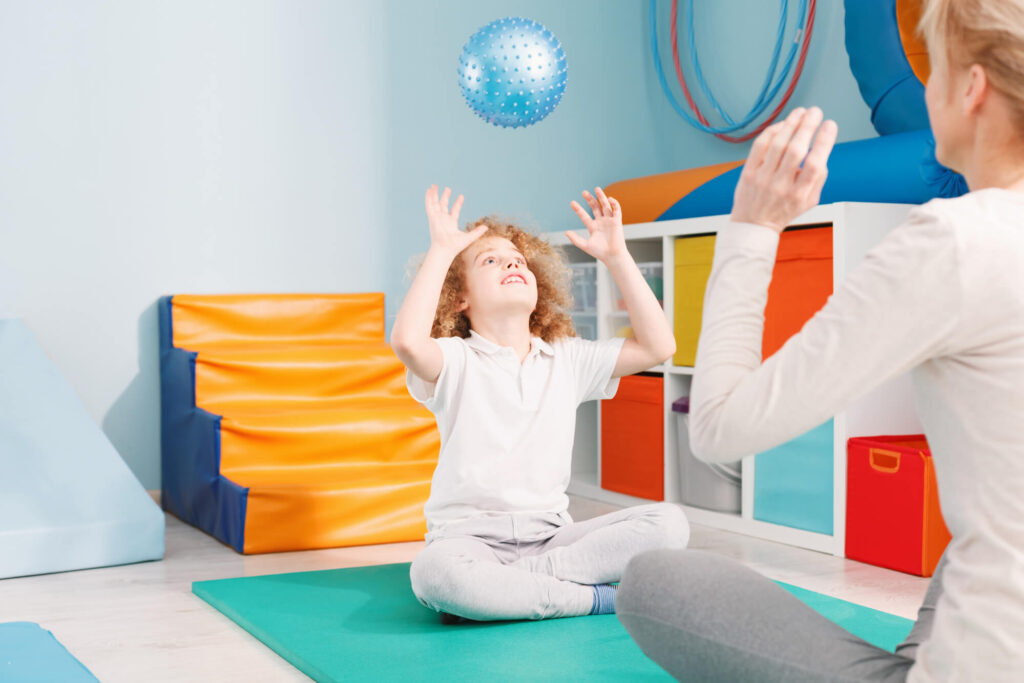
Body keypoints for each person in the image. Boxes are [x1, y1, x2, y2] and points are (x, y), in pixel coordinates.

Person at [616, 0, 1024, 680]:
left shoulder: (955, 239)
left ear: (972, 88)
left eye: (936, 74)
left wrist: (752, 227)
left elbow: (717, 427)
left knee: (655, 581)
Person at [390, 184, 690, 622]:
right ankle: (589, 598)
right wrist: (441, 251)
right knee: (435, 575)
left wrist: (616, 256)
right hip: (467, 538)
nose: (512, 262)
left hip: (551, 538)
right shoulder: (454, 360)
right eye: (489, 260)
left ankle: (516, 586)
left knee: (669, 526)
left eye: (518, 260)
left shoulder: (567, 357)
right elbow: (406, 341)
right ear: (460, 298)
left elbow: (658, 346)